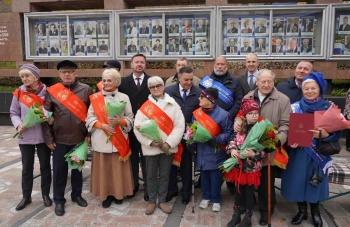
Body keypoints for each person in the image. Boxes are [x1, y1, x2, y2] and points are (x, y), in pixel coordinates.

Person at [281, 72, 341, 227]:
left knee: (316, 181)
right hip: (299, 153)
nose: (309, 91)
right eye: (306, 88)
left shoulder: (329, 108)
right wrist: (290, 142)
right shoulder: (295, 107)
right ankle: (302, 211)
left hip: (318, 153)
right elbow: (287, 128)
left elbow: (337, 133)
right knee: (299, 180)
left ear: (320, 89)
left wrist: (326, 134)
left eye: (313, 88)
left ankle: (315, 211)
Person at [234, 69, 291, 226]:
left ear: (274, 82)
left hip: (267, 148)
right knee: (247, 181)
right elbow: (240, 116)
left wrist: (276, 142)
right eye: (263, 81)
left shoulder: (283, 100)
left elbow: (286, 125)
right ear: (257, 82)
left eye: (269, 81)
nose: (266, 84)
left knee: (266, 182)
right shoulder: (248, 97)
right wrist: (237, 122)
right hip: (247, 148)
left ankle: (266, 211)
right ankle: (246, 209)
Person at [42, 60, 92, 216]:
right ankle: (59, 200)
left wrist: (89, 134)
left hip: (78, 140)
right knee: (59, 172)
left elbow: (92, 114)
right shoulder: (52, 91)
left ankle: (76, 195)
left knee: (77, 170)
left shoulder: (86, 90)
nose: (67, 74)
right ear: (59, 74)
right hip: (60, 140)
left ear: (76, 73)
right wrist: (49, 139)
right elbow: (45, 116)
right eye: (64, 72)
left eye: (70, 71)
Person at [134, 76, 185, 215]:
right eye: (152, 87)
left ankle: (162, 200)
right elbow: (137, 128)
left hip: (167, 148)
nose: (156, 89)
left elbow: (179, 126)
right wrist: (150, 142)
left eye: (158, 86)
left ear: (163, 86)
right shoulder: (145, 107)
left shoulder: (173, 104)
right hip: (151, 149)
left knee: (164, 175)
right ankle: (151, 201)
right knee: (150, 175)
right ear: (149, 89)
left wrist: (169, 143)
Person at [86, 69, 134, 208]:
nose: (106, 83)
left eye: (109, 80)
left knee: (118, 169)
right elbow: (89, 118)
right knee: (104, 169)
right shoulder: (95, 97)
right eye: (104, 80)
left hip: (119, 139)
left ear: (116, 82)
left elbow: (130, 117)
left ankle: (119, 194)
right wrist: (102, 125)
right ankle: (105, 195)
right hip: (101, 138)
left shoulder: (124, 97)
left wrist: (121, 122)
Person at [10, 64, 52, 211]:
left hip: (42, 137)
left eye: (27, 75)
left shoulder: (47, 93)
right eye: (22, 76)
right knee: (26, 168)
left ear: (36, 77)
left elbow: (52, 111)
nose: (24, 79)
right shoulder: (19, 94)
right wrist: (18, 124)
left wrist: (48, 117)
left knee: (45, 166)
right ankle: (26, 197)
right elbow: (13, 113)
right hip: (25, 136)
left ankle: (46, 195)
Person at [164, 67, 201, 205]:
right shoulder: (168, 92)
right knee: (171, 164)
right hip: (172, 134)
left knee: (187, 165)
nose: (189, 82)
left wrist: (193, 133)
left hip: (188, 135)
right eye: (186, 79)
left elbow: (200, 114)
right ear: (179, 78)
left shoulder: (198, 93)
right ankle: (172, 189)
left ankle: (186, 192)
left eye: (191, 79)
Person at [226, 99, 266, 227]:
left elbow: (266, 150)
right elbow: (232, 140)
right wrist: (232, 149)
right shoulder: (240, 127)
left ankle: (248, 216)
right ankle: (237, 213)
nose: (254, 115)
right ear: (245, 115)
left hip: (251, 168)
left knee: (249, 193)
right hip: (238, 167)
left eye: (256, 113)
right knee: (238, 191)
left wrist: (254, 155)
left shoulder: (261, 130)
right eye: (251, 113)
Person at [118, 54, 151, 201]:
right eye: (136, 62)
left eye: (142, 62)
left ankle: (148, 189)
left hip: (146, 128)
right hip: (129, 127)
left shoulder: (152, 82)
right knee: (131, 158)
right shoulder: (123, 82)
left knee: (146, 159)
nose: (139, 64)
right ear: (131, 64)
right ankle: (132, 186)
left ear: (145, 65)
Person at [195, 88, 233, 212]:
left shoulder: (223, 114)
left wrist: (216, 139)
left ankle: (216, 199)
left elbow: (228, 132)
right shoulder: (196, 113)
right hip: (201, 149)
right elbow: (192, 129)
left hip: (216, 150)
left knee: (215, 176)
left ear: (210, 100)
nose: (199, 99)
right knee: (204, 174)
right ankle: (206, 197)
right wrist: (191, 140)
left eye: (202, 97)